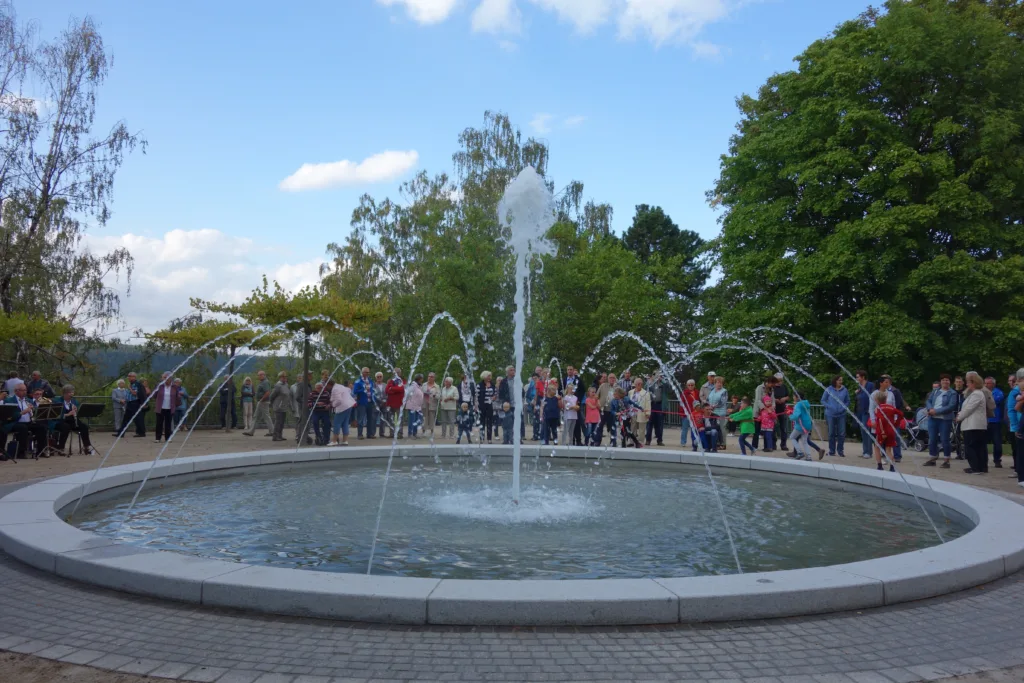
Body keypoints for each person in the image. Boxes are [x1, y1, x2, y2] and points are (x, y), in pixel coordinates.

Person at [957, 372, 990, 475]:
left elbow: (969, 409)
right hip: (977, 425)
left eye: (968, 382)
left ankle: (975, 467)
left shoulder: (976, 394)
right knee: (979, 447)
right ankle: (981, 467)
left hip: (973, 425)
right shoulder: (977, 393)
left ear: (974, 383)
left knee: (971, 446)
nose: (967, 384)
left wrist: (959, 417)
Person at [5, 383, 46, 459]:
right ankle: (21, 452)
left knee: (41, 427)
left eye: (25, 390)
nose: (25, 392)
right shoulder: (10, 400)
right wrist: (23, 412)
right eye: (22, 390)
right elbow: (10, 416)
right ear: (16, 391)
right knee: (23, 428)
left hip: (28, 422)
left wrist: (33, 411)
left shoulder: (28, 400)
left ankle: (40, 451)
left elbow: (34, 413)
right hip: (15, 423)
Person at [924, 374, 956, 469]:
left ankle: (946, 460)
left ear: (950, 382)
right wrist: (930, 409)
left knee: (944, 439)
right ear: (940, 382)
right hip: (933, 418)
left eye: (947, 380)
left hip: (944, 419)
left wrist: (936, 411)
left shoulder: (952, 393)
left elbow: (951, 406)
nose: (945, 382)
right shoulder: (935, 391)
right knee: (932, 439)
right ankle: (933, 458)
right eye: (943, 380)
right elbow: (928, 401)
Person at [54, 384, 93, 454]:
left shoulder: (74, 401)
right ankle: (61, 448)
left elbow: (77, 414)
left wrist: (76, 411)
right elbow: (56, 415)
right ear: (64, 393)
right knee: (66, 427)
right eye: (70, 392)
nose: (71, 394)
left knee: (84, 427)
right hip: (61, 421)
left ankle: (86, 446)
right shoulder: (57, 401)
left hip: (72, 420)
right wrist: (68, 414)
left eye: (72, 392)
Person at [872, 389, 902, 472]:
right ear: (885, 399)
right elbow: (901, 414)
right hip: (891, 431)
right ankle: (892, 467)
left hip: (882, 431)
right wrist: (896, 423)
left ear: (877, 400)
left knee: (877, 447)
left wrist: (882, 431)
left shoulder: (878, 408)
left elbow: (880, 420)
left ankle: (879, 466)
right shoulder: (891, 407)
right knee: (888, 449)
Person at [820, 375, 849, 457]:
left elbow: (847, 401)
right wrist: (829, 407)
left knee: (842, 433)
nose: (841, 382)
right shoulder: (829, 389)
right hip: (830, 414)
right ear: (835, 381)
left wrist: (844, 407)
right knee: (831, 433)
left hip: (841, 414)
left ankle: (840, 451)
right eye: (839, 380)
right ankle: (831, 451)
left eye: (841, 380)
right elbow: (823, 400)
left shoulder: (845, 390)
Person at [244, 370, 274, 437]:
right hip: (262, 402)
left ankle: (272, 431)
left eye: (260, 375)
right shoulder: (263, 382)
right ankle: (251, 431)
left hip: (263, 402)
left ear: (264, 375)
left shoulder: (265, 382)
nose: (259, 376)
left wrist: (261, 399)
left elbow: (268, 392)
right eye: (258, 375)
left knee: (265, 417)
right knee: (257, 417)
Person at [152, 372, 180, 443]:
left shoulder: (174, 387)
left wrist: (175, 405)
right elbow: (154, 395)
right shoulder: (159, 386)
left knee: (168, 424)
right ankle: (158, 438)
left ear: (170, 379)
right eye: (164, 378)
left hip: (170, 408)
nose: (165, 379)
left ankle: (168, 438)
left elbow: (177, 397)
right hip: (160, 408)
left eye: (166, 378)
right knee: (159, 423)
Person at [985, 376, 1005, 468]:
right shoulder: (982, 392)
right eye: (985, 383)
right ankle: (984, 460)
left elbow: (993, 402)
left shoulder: (999, 393)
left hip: (995, 421)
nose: (985, 385)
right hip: (985, 421)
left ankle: (997, 460)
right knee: (983, 442)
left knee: (997, 442)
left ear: (993, 384)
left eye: (988, 383)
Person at [854, 370, 874, 458]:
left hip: (867, 411)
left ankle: (868, 452)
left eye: (858, 377)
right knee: (863, 432)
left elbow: (872, 397)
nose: (856, 378)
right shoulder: (860, 386)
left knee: (867, 431)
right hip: (860, 411)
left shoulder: (870, 385)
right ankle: (865, 451)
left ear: (863, 377)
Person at [789, 392, 815, 461]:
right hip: (808, 424)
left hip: (800, 425)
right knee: (804, 441)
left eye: (794, 396)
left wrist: (790, 416)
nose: (793, 398)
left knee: (792, 437)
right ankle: (808, 456)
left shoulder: (798, 405)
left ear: (797, 397)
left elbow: (797, 415)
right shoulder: (806, 403)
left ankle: (800, 452)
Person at [751, 376, 774, 451]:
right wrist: (765, 408)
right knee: (757, 430)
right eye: (771, 383)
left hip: (768, 413)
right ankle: (754, 446)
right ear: (767, 382)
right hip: (759, 412)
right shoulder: (759, 388)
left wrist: (772, 408)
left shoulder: (772, 389)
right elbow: (758, 400)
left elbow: (773, 400)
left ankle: (767, 446)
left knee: (767, 430)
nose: (772, 385)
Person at [330, 378, 355, 446]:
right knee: (345, 423)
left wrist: (332, 405)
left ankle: (334, 441)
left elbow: (339, 400)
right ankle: (345, 441)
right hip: (349, 406)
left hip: (342, 408)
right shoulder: (340, 386)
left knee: (336, 423)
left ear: (329, 384)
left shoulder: (335, 389)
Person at [353, 367, 376, 440]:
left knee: (371, 419)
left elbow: (373, 390)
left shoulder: (370, 380)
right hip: (362, 403)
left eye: (368, 372)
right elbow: (354, 391)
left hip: (370, 402)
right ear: (362, 373)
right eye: (366, 372)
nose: (367, 374)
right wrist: (363, 389)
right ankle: (360, 434)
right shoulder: (358, 381)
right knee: (361, 419)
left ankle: (370, 434)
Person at [707, 375, 728, 450]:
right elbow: (708, 399)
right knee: (714, 428)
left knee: (722, 428)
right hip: (713, 412)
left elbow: (722, 402)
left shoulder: (724, 391)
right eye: (718, 382)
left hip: (721, 412)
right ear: (715, 383)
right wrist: (708, 406)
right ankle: (716, 443)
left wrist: (714, 406)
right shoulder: (712, 390)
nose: (719, 384)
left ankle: (723, 444)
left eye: (721, 383)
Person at [645, 372, 666, 447]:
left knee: (659, 424)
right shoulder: (650, 383)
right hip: (651, 405)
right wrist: (649, 381)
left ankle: (659, 440)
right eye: (655, 375)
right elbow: (645, 389)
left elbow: (669, 388)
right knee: (649, 423)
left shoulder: (663, 383)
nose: (657, 376)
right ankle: (648, 440)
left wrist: (662, 380)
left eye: (658, 375)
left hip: (660, 405)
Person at [629, 378, 650, 448]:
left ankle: (640, 442)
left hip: (642, 413)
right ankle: (632, 441)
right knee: (632, 428)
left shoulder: (646, 393)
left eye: (641, 384)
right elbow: (628, 402)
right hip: (632, 413)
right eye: (638, 384)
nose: (640, 385)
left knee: (642, 429)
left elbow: (648, 404)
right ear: (635, 384)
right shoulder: (631, 392)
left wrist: (648, 413)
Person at [385, 368, 406, 439]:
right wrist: (395, 390)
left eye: (397, 372)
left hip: (399, 403)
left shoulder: (402, 381)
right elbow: (387, 390)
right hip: (390, 403)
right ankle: (392, 433)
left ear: (400, 373)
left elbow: (401, 389)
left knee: (400, 420)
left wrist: (392, 389)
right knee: (391, 419)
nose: (396, 374)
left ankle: (400, 434)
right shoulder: (390, 381)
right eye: (395, 372)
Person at [772, 373, 790, 452]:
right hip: (774, 409)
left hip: (782, 409)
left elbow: (788, 396)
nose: (780, 382)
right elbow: (768, 397)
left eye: (781, 380)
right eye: (778, 381)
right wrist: (774, 400)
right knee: (773, 428)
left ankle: (783, 444)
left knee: (784, 428)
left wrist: (784, 398)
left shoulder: (784, 387)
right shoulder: (772, 387)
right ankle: (773, 444)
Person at [681, 379, 701, 449]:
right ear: (687, 386)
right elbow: (681, 403)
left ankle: (696, 442)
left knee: (696, 428)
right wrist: (683, 413)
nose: (690, 386)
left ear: (694, 385)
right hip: (687, 414)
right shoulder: (684, 393)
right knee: (685, 428)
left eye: (692, 385)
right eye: (689, 385)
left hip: (695, 414)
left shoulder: (697, 392)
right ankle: (683, 442)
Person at [1010, 372, 1023, 483]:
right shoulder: (1015, 392)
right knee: (1020, 451)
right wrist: (1014, 426)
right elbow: (1014, 409)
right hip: (1021, 424)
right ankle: (1021, 476)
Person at [125, 372, 146, 438]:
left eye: (130, 376)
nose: (128, 377)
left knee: (138, 418)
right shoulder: (131, 384)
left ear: (134, 377)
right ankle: (121, 432)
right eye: (128, 376)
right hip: (130, 402)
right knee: (129, 418)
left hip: (136, 402)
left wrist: (129, 388)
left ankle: (141, 432)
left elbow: (135, 393)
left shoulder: (137, 384)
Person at [477, 371, 496, 444]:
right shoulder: (479, 385)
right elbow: (477, 395)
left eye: (490, 376)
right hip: (482, 405)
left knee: (489, 422)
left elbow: (495, 392)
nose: (489, 378)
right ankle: (481, 438)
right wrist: (477, 405)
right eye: (488, 376)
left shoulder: (492, 384)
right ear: (484, 376)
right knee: (482, 422)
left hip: (490, 405)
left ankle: (489, 438)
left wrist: (494, 397)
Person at [406, 374, 425, 439]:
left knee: (417, 420)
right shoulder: (413, 386)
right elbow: (407, 394)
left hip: (418, 406)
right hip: (412, 406)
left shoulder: (419, 386)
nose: (422, 380)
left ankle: (415, 433)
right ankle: (410, 433)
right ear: (418, 379)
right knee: (412, 420)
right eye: (421, 379)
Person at [423, 372, 440, 438]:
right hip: (424, 403)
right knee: (424, 418)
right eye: (429, 376)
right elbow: (420, 393)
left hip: (432, 403)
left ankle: (432, 431)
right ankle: (424, 431)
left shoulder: (437, 386)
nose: (429, 378)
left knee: (432, 418)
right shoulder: (424, 385)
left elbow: (439, 396)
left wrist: (434, 395)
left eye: (431, 377)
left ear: (434, 378)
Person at [373, 372, 388, 437]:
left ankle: (382, 433)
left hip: (384, 404)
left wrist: (385, 401)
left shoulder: (385, 385)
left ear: (382, 377)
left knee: (383, 419)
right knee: (374, 419)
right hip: (376, 403)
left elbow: (388, 393)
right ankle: (372, 433)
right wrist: (380, 400)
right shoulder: (373, 385)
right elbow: (373, 394)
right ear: (375, 378)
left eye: (380, 376)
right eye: (378, 377)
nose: (379, 378)